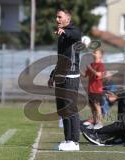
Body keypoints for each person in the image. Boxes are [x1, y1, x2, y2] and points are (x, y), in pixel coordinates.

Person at [48, 9, 81, 151]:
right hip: (61, 76)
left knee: (70, 109)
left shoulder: (72, 31)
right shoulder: (61, 35)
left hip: (71, 76)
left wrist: (65, 32)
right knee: (63, 110)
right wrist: (52, 75)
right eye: (56, 16)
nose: (57, 19)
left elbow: (76, 35)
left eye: (59, 16)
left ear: (67, 18)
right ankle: (68, 140)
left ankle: (74, 142)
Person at [81, 49, 105, 129]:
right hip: (90, 89)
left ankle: (99, 123)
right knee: (92, 107)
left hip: (97, 90)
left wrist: (90, 68)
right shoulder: (91, 64)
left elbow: (98, 74)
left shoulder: (100, 65)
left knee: (97, 106)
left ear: (100, 55)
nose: (93, 53)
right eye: (93, 52)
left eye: (96, 52)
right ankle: (94, 122)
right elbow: (85, 75)